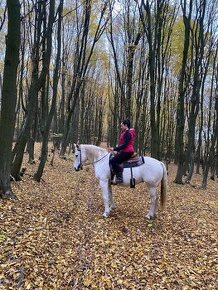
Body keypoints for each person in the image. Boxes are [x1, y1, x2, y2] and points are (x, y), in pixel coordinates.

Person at [110, 119, 136, 183]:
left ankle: (119, 177)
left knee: (113, 161)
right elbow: (122, 144)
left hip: (127, 152)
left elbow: (125, 145)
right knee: (113, 158)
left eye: (122, 126)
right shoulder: (125, 132)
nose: (121, 127)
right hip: (125, 151)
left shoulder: (128, 133)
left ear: (126, 125)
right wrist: (118, 151)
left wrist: (115, 149)